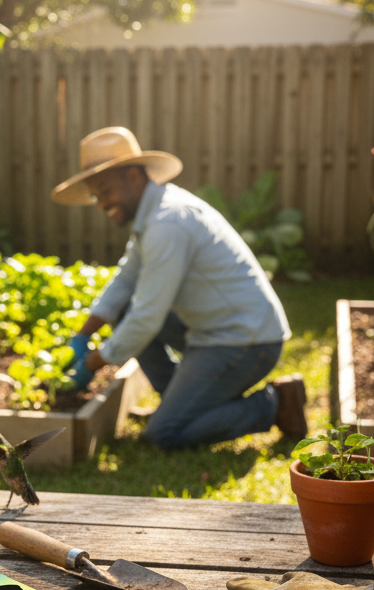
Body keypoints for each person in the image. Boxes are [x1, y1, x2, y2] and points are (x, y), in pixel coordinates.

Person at [50, 126, 307, 449]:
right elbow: (126, 280)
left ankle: (274, 404)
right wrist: (82, 335)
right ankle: (180, 402)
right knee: (125, 311)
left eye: (104, 190)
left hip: (246, 342)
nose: (100, 202)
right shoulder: (153, 213)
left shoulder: (167, 223)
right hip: (215, 331)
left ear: (133, 177)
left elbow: (147, 317)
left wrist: (91, 364)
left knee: (164, 434)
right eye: (95, 195)